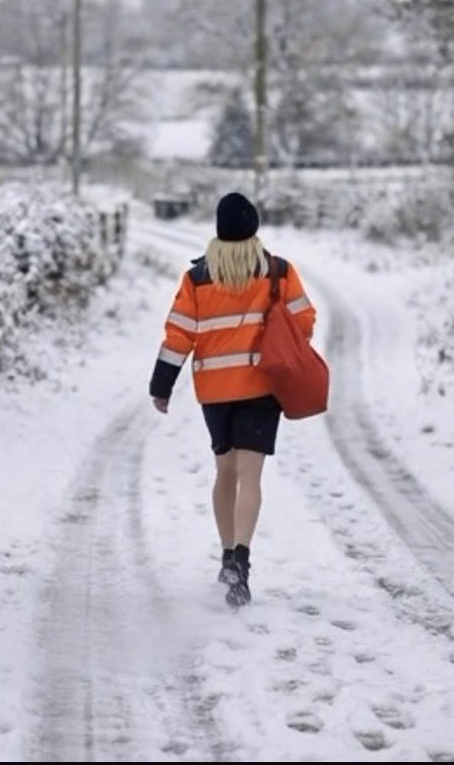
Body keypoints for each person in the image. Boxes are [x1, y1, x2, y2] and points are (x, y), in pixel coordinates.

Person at [149, 191, 317, 608]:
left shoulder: (198, 279)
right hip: (262, 386)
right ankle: (242, 560)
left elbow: (179, 335)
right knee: (251, 477)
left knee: (225, 473)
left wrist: (161, 384)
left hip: (216, 391)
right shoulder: (278, 271)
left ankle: (226, 555)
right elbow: (305, 321)